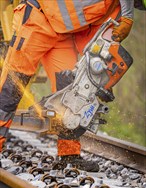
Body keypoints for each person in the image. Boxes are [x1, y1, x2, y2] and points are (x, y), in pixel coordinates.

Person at [0, 0, 134, 172]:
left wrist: (98, 78)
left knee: (72, 95)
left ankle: (69, 155)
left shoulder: (115, 12)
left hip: (63, 36)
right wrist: (128, 17)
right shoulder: (124, 15)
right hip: (36, 20)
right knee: (10, 89)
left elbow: (96, 44)